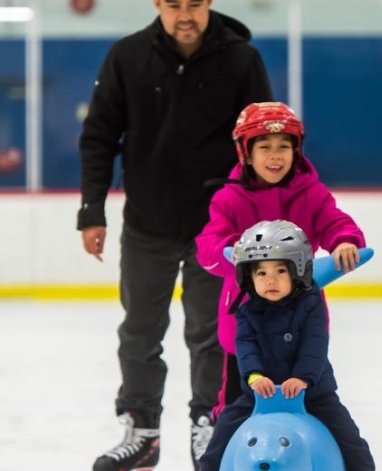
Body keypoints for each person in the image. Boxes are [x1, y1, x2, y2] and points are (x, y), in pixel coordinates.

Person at [77, 1, 272, 469]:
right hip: (149, 221)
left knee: (211, 334)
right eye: (174, 4)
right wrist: (92, 210)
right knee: (140, 331)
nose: (185, 14)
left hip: (219, 226)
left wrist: (260, 212)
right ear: (157, 5)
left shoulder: (242, 59)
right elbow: (100, 136)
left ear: (209, 4)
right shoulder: (127, 56)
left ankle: (210, 424)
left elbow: (262, 140)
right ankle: (142, 432)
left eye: (195, 4)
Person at [195, 101, 365, 424]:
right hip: (244, 327)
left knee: (315, 403)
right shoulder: (229, 199)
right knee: (236, 409)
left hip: (302, 324)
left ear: (296, 151)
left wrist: (345, 240)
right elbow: (208, 245)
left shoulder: (311, 194)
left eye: (283, 147)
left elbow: (334, 221)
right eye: (265, 147)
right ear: (246, 152)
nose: (275, 156)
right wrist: (228, 252)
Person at [198, 220, 375, 470]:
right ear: (249, 276)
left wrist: (303, 378)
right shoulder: (246, 311)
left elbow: (315, 345)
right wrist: (254, 376)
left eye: (280, 271)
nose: (271, 280)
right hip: (260, 394)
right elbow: (245, 347)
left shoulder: (310, 304)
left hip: (313, 393)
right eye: (261, 273)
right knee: (221, 433)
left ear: (298, 270)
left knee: (351, 441)